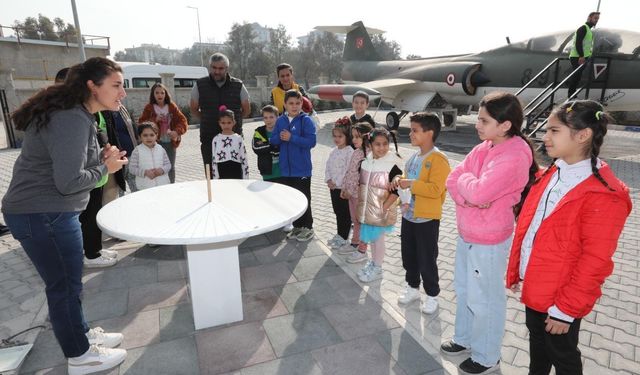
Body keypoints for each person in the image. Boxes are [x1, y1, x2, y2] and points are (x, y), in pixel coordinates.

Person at [1, 57, 128, 374]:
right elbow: (68, 181)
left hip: (45, 212)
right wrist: (106, 167)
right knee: (64, 288)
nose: (122, 93)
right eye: (116, 85)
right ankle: (81, 356)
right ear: (91, 86)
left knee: (69, 285)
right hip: (44, 214)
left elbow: (66, 163)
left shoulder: (77, 115)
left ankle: (81, 334)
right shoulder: (71, 118)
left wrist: (100, 158)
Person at [506, 100, 631, 375]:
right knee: (538, 350)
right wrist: (519, 269)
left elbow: (596, 260)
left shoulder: (605, 194)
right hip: (537, 286)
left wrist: (566, 309)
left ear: (583, 135)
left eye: (554, 131)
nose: (545, 137)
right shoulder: (553, 172)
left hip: (561, 298)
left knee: (563, 357)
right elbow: (533, 226)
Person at [441, 92, 538, 374]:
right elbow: (453, 178)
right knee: (464, 290)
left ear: (505, 125)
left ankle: (487, 357)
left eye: (484, 120)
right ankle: (464, 338)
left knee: (485, 299)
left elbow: (479, 189)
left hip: (489, 239)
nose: (477, 124)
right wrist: (471, 192)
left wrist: (471, 188)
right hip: (467, 232)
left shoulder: (516, 153)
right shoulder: (485, 146)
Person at [392, 112, 451, 314]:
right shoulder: (413, 158)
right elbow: (407, 179)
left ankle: (432, 295)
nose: (410, 133)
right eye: (411, 130)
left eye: (415, 130)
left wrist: (411, 184)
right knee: (409, 256)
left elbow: (436, 189)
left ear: (429, 133)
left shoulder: (438, 159)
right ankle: (412, 287)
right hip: (409, 216)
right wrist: (400, 180)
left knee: (427, 258)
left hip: (427, 219)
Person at [190, 53, 251, 177]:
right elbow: (194, 109)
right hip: (209, 139)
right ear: (210, 67)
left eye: (221, 68)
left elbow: (246, 110)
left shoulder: (238, 85)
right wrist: (207, 119)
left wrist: (234, 122)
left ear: (227, 68)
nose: (217, 71)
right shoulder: (200, 85)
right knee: (211, 176)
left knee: (235, 176)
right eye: (214, 67)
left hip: (233, 139)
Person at [356, 128, 403, 283]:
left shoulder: (392, 165)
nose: (382, 148)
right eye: (377, 144)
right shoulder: (365, 163)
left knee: (378, 240)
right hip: (368, 211)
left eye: (385, 144)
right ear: (370, 144)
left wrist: (384, 208)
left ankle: (378, 267)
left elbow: (397, 191)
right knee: (372, 240)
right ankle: (375, 264)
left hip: (381, 211)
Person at [270, 90, 317, 242]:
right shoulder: (280, 120)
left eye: (298, 103)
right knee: (292, 200)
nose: (294, 106)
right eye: (291, 103)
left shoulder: (306, 121)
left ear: (302, 104)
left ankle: (307, 228)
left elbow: (311, 142)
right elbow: (274, 140)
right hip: (286, 170)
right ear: (284, 104)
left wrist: (292, 138)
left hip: (302, 169)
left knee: (304, 199)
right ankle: (297, 227)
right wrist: (280, 138)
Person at [138, 82, 188, 183]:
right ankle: (158, 187)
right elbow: (141, 124)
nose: (160, 95)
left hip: (170, 142)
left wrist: (177, 132)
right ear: (153, 94)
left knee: (170, 166)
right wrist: (154, 119)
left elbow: (183, 121)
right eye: (157, 93)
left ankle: (171, 187)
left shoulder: (172, 106)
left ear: (166, 94)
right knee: (156, 166)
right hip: (155, 143)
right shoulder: (149, 107)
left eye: (162, 92)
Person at [340, 122, 373, 263]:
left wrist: (351, 190)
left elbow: (362, 179)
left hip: (361, 196)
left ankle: (362, 250)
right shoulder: (357, 152)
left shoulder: (370, 155)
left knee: (362, 222)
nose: (354, 140)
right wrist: (344, 187)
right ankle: (354, 242)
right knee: (355, 220)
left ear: (366, 137)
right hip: (351, 195)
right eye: (353, 136)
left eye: (357, 137)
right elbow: (350, 173)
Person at [325, 120, 354, 250]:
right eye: (335, 136)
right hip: (333, 188)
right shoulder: (333, 151)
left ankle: (343, 237)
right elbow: (328, 166)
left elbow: (349, 170)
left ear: (347, 136)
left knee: (345, 213)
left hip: (343, 189)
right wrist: (329, 180)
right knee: (337, 211)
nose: (337, 139)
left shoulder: (349, 151)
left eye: (340, 136)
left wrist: (342, 184)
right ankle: (339, 234)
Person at [129, 122, 171, 189]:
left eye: (152, 135)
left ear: (156, 135)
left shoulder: (161, 149)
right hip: (145, 186)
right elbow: (132, 168)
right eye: (145, 135)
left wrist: (162, 170)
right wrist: (145, 172)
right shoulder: (137, 151)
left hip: (162, 184)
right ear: (140, 137)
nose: (149, 138)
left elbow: (168, 165)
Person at [568, 12, 600, 98]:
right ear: (589, 18)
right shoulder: (583, 28)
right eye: (595, 18)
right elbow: (578, 43)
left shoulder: (589, 30)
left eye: (597, 19)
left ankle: (573, 95)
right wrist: (581, 56)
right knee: (575, 77)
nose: (596, 20)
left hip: (582, 57)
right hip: (577, 57)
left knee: (577, 77)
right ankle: (571, 96)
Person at [212, 106, 249, 179]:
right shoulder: (216, 139)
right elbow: (214, 159)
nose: (226, 125)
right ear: (219, 123)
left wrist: (245, 177)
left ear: (234, 122)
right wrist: (215, 177)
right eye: (223, 123)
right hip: (221, 169)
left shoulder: (238, 138)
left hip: (236, 169)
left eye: (229, 122)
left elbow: (244, 157)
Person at [252, 105, 281, 182]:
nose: (268, 120)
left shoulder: (281, 131)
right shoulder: (259, 132)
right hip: (267, 172)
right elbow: (256, 148)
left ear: (277, 117)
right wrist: (274, 145)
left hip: (282, 172)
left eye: (271, 117)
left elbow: (284, 147)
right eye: (266, 117)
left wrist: (265, 144)